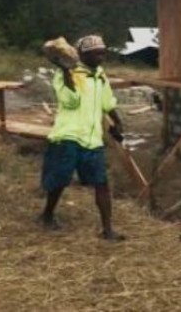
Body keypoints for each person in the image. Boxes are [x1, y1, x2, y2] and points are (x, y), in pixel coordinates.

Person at [39, 34, 125, 241]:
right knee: (60, 180)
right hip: (68, 135)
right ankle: (47, 214)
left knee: (101, 183)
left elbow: (107, 102)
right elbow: (70, 101)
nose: (101, 57)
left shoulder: (100, 75)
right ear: (82, 55)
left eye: (103, 52)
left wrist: (117, 123)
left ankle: (108, 230)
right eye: (96, 54)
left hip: (92, 139)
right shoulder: (65, 74)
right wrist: (66, 71)